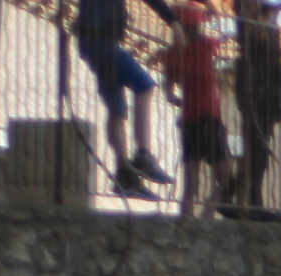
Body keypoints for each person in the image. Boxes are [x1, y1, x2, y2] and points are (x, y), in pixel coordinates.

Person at [74, 0, 178, 198]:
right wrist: (173, 21)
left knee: (117, 109)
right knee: (144, 85)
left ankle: (124, 175)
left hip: (94, 41)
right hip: (102, 41)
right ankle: (143, 156)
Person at [161, 3, 230, 217]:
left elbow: (169, 93)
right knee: (225, 176)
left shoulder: (172, 55)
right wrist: (211, 8)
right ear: (196, 24)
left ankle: (186, 224)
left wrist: (183, 101)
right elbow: (225, 32)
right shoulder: (207, 45)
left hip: (188, 119)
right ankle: (208, 214)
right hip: (210, 117)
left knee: (190, 183)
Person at [231, 0, 281, 212]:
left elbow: (271, 47)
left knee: (259, 150)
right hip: (254, 92)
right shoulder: (248, 24)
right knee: (256, 149)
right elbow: (258, 34)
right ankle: (249, 197)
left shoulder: (266, 21)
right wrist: (271, 14)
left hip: (268, 94)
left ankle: (239, 195)